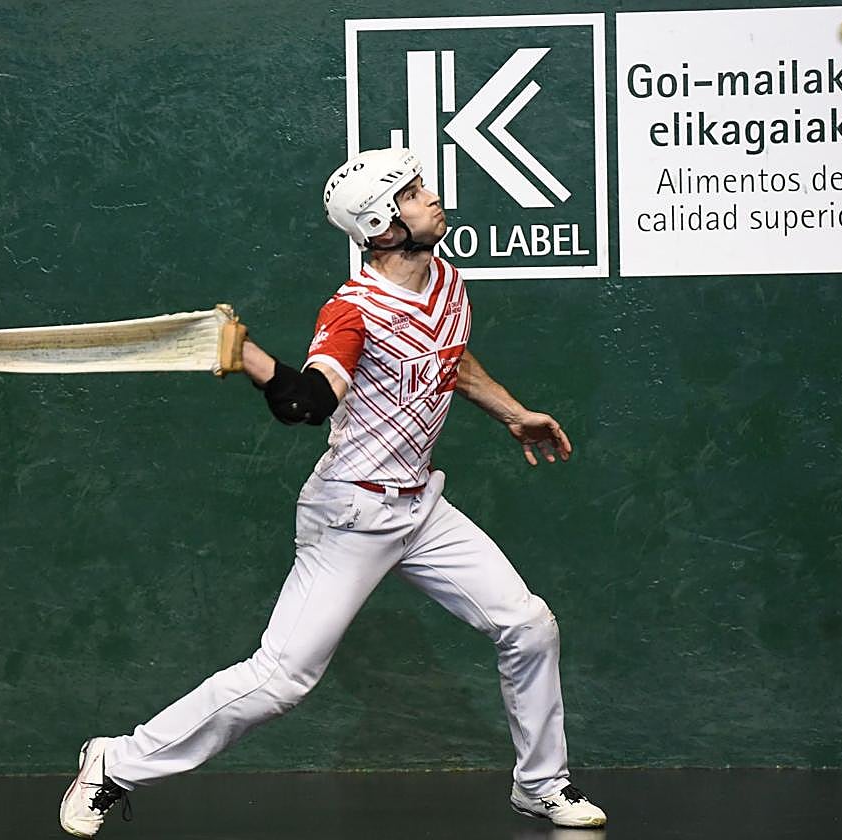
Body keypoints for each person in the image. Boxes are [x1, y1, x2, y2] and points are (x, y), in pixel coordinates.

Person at [58, 147, 607, 836]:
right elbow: (307, 403)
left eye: (421, 187)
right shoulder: (352, 311)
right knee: (281, 679)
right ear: (381, 224)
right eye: (411, 194)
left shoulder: (445, 283)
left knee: (527, 626)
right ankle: (117, 761)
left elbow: (450, 355)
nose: (430, 198)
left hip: (419, 506)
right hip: (349, 513)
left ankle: (541, 785)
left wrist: (511, 410)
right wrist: (253, 358)